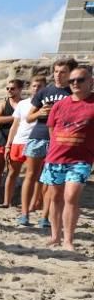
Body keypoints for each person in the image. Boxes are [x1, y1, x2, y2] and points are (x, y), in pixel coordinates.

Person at [41, 65, 94, 250]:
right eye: (72, 80)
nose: (75, 83)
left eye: (80, 80)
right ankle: (55, 236)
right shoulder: (59, 105)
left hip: (81, 160)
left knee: (71, 196)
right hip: (55, 158)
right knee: (55, 198)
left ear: (91, 82)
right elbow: (51, 130)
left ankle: (68, 240)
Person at [20, 57, 76, 227]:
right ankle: (24, 214)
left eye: (63, 72)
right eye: (56, 71)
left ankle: (45, 217)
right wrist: (41, 113)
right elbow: (28, 118)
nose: (58, 75)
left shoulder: (73, 94)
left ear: (70, 73)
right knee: (30, 175)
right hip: (38, 136)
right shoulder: (44, 92)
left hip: (59, 140)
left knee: (52, 180)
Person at [2, 76, 46, 208]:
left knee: (35, 175)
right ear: (30, 87)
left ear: (45, 88)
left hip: (35, 141)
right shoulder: (23, 104)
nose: (36, 88)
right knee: (12, 173)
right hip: (18, 141)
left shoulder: (47, 105)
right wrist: (8, 144)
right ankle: (6, 202)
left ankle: (33, 204)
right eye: (34, 86)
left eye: (40, 86)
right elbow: (15, 125)